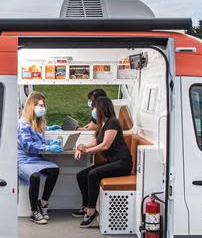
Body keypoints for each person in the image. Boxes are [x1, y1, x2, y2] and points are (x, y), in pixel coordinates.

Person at [73, 96, 132, 228]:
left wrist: (88, 151)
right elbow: (95, 142)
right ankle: (85, 207)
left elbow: (105, 145)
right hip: (112, 162)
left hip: (122, 163)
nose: (93, 110)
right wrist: (82, 147)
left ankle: (92, 211)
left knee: (93, 174)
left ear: (101, 109)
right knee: (81, 176)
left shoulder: (113, 123)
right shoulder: (102, 125)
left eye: (94, 107)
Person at [18, 91, 63, 225]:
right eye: (40, 105)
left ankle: (43, 203)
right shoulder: (23, 124)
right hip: (23, 159)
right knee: (35, 176)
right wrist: (47, 148)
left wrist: (50, 143)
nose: (43, 108)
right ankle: (33, 212)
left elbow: (39, 142)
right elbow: (28, 146)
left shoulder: (37, 123)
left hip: (35, 158)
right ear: (32, 106)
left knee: (54, 170)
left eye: (44, 105)